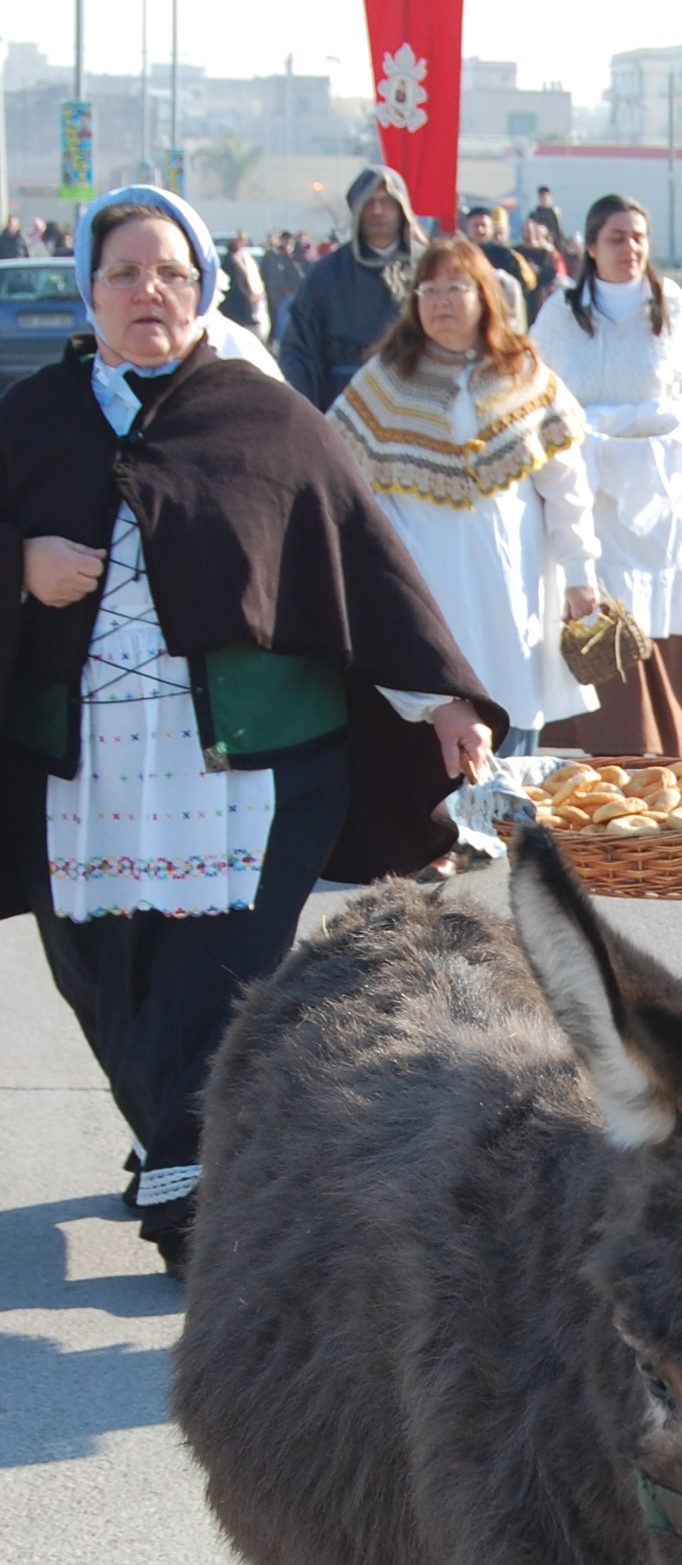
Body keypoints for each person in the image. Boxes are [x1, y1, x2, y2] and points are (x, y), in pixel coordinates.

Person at [0, 185, 498, 1270]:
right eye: (125, 272)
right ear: (90, 290)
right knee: (107, 980)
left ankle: (191, 1194)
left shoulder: (264, 418)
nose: (149, 291)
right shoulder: (30, 418)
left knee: (216, 982)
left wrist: (445, 699)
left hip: (250, 772)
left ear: (205, 290)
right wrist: (21, 565)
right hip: (77, 774)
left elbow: (364, 562)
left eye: (171, 273)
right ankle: (170, 1140)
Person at [329, 236, 602, 754]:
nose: (441, 302)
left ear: (485, 295)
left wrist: (580, 573)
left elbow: (567, 486)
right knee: (428, 733)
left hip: (512, 590)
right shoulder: (384, 382)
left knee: (511, 727)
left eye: (456, 288)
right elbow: (337, 475)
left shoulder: (522, 375)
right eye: (428, 290)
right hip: (425, 591)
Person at [532, 192, 682, 759]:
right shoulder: (559, 315)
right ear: (592, 247)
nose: (630, 248)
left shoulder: (676, 309)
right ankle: (612, 753)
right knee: (602, 625)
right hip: (591, 502)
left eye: (639, 237)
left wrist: (670, 419)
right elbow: (531, 394)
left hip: (664, 505)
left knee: (659, 634)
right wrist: (588, 431)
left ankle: (663, 751)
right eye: (617, 238)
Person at [278, 165, 424, 411]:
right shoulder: (326, 274)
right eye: (368, 202)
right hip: (343, 404)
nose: (377, 210)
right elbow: (299, 349)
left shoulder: (429, 268)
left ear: (402, 208)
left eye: (386, 201)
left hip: (416, 402)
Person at [461, 205, 533, 333]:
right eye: (476, 225)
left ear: (491, 228)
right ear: (468, 227)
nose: (480, 230)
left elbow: (519, 284)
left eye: (484, 225)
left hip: (499, 315)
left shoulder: (504, 255)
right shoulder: (459, 255)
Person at [217, 232, 269, 341]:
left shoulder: (241, 261)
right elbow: (236, 284)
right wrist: (248, 297)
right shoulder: (230, 263)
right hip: (235, 305)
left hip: (241, 305)